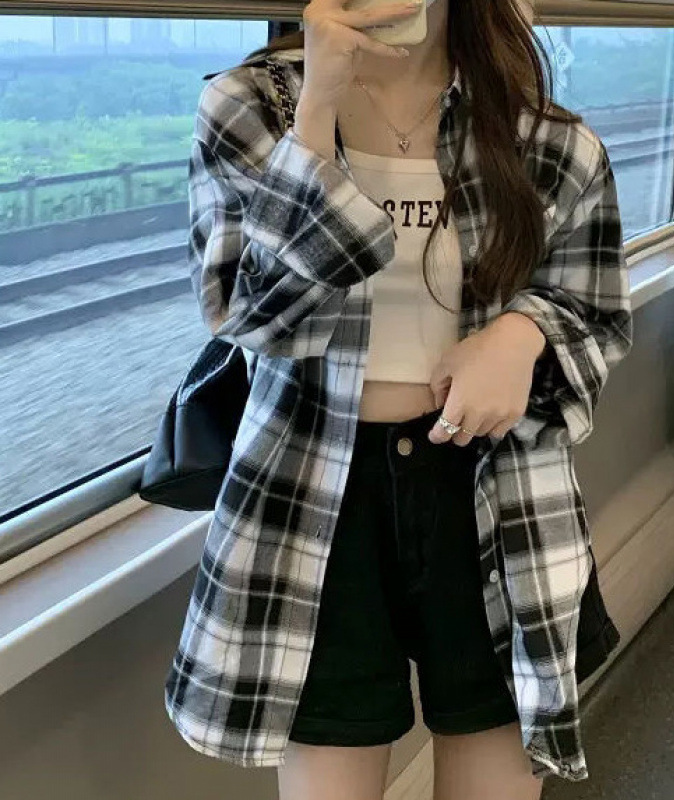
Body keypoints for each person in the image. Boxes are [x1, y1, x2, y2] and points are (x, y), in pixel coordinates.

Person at [164, 0, 633, 797]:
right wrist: (317, 114)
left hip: (495, 489)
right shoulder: (248, 108)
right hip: (311, 496)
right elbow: (250, 315)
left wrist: (521, 335)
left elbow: (596, 308)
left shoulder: (544, 137)